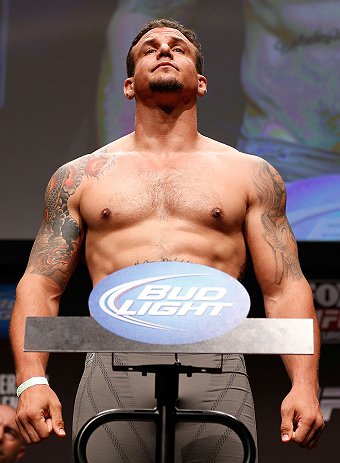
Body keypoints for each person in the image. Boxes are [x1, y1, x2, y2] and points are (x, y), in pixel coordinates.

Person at [10, 18, 324, 462]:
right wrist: (31, 381)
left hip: (218, 364)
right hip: (113, 363)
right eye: (149, 48)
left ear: (201, 82)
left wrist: (305, 385)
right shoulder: (79, 176)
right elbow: (40, 284)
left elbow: (285, 286)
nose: (163, 51)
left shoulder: (250, 174)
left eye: (177, 47)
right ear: (127, 85)